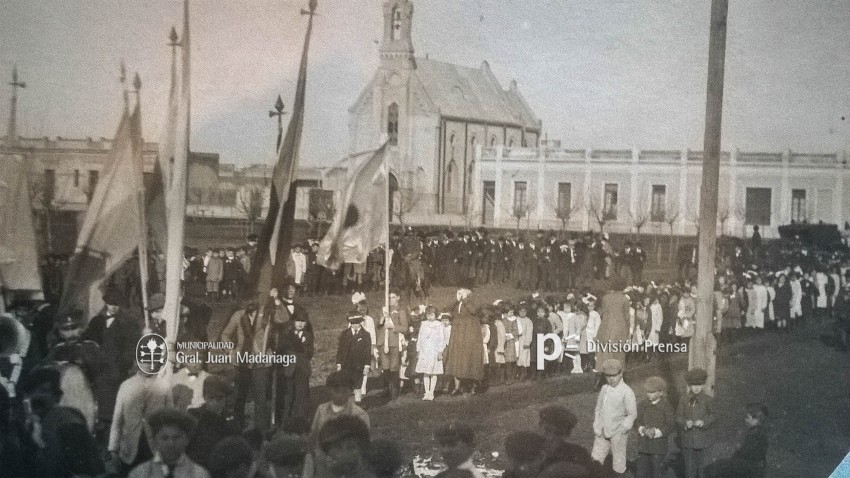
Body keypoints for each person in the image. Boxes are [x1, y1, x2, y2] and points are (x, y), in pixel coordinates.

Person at [17, 367, 104, 478]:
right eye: (31, 392)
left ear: (56, 396)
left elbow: (80, 470)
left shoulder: (67, 422)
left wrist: (39, 444)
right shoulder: (32, 424)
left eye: (43, 391)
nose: (36, 396)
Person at [108, 367, 174, 474]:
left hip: (154, 449)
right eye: (143, 358)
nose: (147, 363)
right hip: (129, 450)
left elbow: (170, 420)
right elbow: (117, 420)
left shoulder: (164, 386)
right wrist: (113, 449)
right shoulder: (126, 385)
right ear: (136, 362)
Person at [128, 409, 210, 478]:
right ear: (154, 441)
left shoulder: (199, 474)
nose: (171, 443)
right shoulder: (139, 474)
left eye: (176, 437)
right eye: (164, 438)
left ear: (186, 440)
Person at [591, 358, 637, 477]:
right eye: (608, 376)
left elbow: (632, 414)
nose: (611, 379)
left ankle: (618, 474)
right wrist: (597, 425)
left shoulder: (626, 391)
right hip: (602, 428)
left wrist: (623, 428)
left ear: (621, 373)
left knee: (619, 459)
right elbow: (598, 408)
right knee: (596, 458)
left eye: (614, 375)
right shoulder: (604, 389)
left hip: (618, 430)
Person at [187, 375, 239, 471]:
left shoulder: (230, 419)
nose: (214, 402)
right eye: (211, 398)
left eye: (219, 398)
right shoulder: (194, 417)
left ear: (225, 399)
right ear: (204, 397)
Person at [705, 403, 769, 478]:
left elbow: (745, 454)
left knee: (712, 470)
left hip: (750, 469)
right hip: (753, 466)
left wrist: (732, 459)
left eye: (748, 417)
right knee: (718, 466)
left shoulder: (754, 434)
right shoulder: (760, 431)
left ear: (756, 419)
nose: (746, 420)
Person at [444, 289, 485, 394]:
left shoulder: (473, 300)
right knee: (456, 359)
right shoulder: (458, 302)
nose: (460, 294)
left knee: (470, 359)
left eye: (462, 292)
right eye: (459, 292)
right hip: (458, 334)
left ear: (468, 292)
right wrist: (456, 300)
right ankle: (457, 387)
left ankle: (474, 386)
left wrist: (466, 299)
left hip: (470, 334)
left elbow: (473, 310)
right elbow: (447, 309)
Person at [537, 405, 598, 476]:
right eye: (547, 430)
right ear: (540, 426)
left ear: (567, 434)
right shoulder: (526, 449)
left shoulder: (578, 455)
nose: (550, 437)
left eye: (558, 434)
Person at [278, 308, 314, 423]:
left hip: (302, 368)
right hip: (289, 368)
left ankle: (301, 420)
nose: (300, 324)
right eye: (298, 321)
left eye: (303, 321)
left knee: (301, 395)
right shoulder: (287, 334)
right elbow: (282, 349)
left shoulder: (308, 335)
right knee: (288, 394)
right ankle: (286, 420)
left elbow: (309, 353)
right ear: (293, 321)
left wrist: (302, 345)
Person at [677, 368, 715, 478]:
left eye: (700, 385)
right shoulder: (684, 399)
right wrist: (685, 422)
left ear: (703, 385)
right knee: (689, 469)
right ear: (689, 385)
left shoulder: (708, 400)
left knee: (703, 468)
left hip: (703, 439)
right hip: (688, 440)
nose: (697, 388)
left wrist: (704, 422)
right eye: (694, 385)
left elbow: (714, 415)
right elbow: (678, 416)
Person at [634, 376, 674, 478]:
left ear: (661, 393)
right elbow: (637, 421)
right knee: (642, 472)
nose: (649, 394)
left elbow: (670, 424)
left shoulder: (666, 406)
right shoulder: (642, 405)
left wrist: (657, 432)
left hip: (658, 446)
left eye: (652, 392)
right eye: (647, 392)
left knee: (657, 471)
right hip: (644, 445)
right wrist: (642, 429)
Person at [376, 291, 409, 399]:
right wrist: (382, 319)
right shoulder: (384, 309)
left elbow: (405, 328)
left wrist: (393, 326)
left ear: (398, 298)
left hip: (394, 342)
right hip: (383, 342)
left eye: (393, 297)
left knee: (394, 367)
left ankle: (394, 390)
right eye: (389, 297)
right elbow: (379, 324)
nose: (391, 299)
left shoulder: (401, 311)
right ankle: (386, 390)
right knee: (385, 367)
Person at [337, 312, 373, 405]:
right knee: (346, 384)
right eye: (352, 323)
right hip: (346, 363)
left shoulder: (366, 335)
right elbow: (340, 350)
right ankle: (345, 405)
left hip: (359, 365)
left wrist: (367, 366)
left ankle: (358, 403)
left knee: (358, 385)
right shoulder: (345, 334)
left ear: (360, 322)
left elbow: (367, 352)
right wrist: (339, 364)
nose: (355, 325)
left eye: (357, 323)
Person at [416, 305, 448, 400]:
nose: (430, 317)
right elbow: (420, 338)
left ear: (436, 315)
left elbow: (442, 339)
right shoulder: (423, 324)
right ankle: (427, 392)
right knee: (426, 372)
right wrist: (418, 350)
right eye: (428, 315)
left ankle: (431, 392)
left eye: (432, 315)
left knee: (434, 372)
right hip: (425, 351)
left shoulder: (439, 325)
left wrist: (440, 351)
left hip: (434, 350)